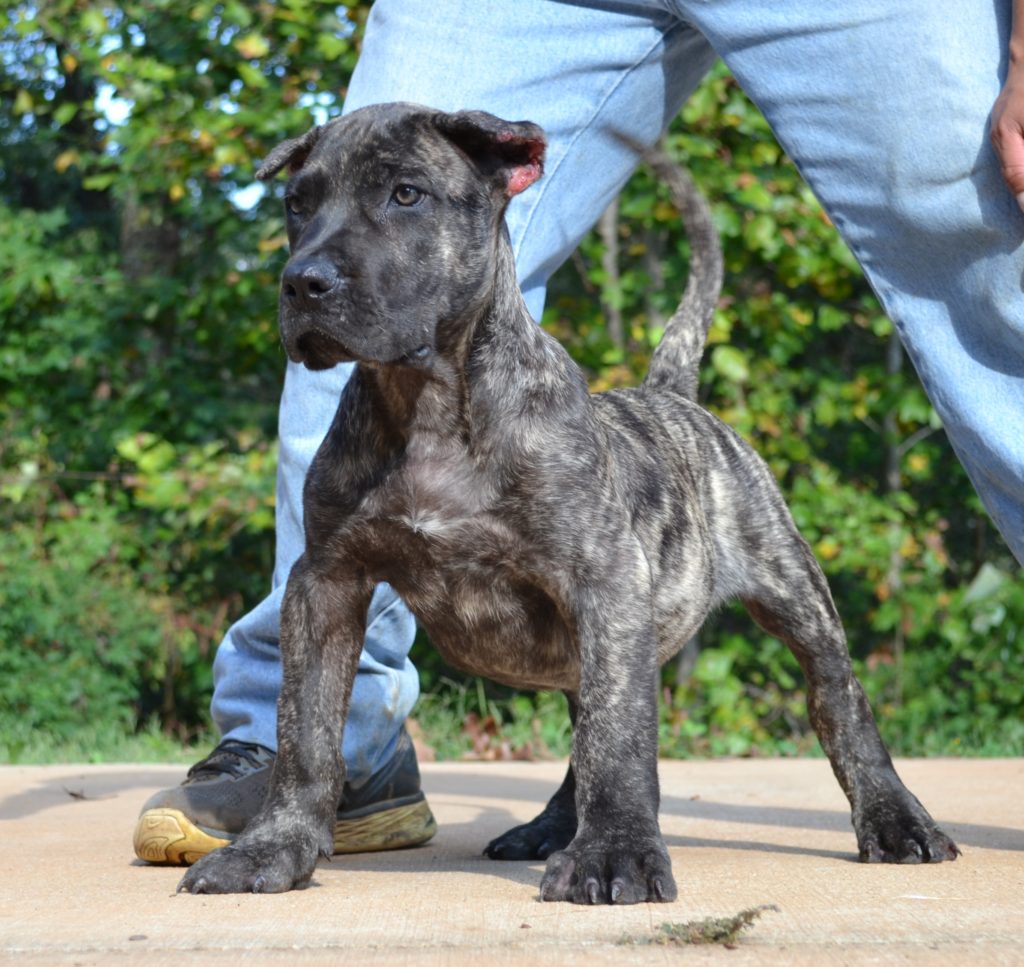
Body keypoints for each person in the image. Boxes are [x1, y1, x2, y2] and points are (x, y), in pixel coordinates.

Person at [134, 0, 1024, 864]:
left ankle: (862, 785)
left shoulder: (544, 441)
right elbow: (326, 588)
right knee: (319, 535)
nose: (311, 260)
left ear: (509, 174)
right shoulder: (356, 456)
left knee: (978, 216)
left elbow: (611, 598)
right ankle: (311, 788)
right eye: (304, 210)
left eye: (404, 196)